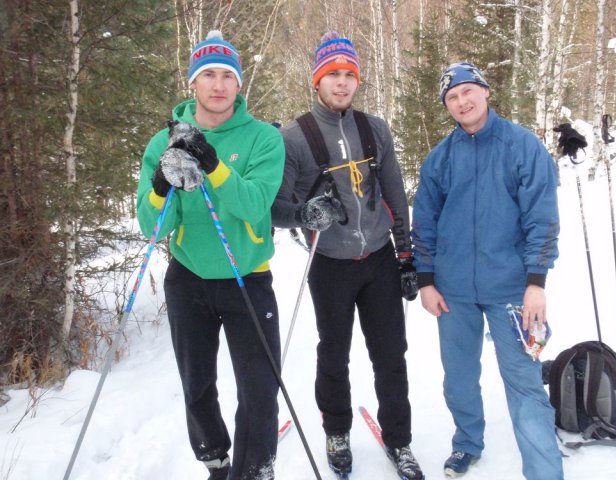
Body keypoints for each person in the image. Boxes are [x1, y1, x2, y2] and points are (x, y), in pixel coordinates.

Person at [271, 31, 424, 480]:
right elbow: (276, 210)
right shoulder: (294, 137)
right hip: (330, 264)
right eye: (332, 74)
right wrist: (306, 211)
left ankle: (400, 440)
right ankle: (336, 430)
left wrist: (407, 256)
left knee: (391, 354)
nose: (341, 83)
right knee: (333, 353)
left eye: (349, 75)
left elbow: (395, 193)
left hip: (377, 259)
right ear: (316, 81)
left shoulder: (373, 128)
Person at [136, 30, 285, 480]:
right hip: (189, 279)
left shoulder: (263, 138)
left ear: (239, 85)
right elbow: (150, 227)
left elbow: (254, 205)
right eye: (208, 75)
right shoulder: (162, 143)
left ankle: (256, 469)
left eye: (227, 75)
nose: (218, 85)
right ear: (193, 83)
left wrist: (214, 164)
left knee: (259, 389)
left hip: (247, 278)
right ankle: (216, 461)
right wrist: (162, 187)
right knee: (197, 384)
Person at [411, 62, 563, 480]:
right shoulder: (440, 158)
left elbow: (543, 218)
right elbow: (423, 222)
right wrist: (426, 280)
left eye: (466, 92)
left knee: (525, 383)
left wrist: (536, 282)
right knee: (458, 378)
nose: (461, 102)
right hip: (453, 289)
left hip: (512, 288)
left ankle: (545, 471)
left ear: (485, 91)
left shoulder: (522, 146)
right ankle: (467, 443)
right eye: (452, 98)